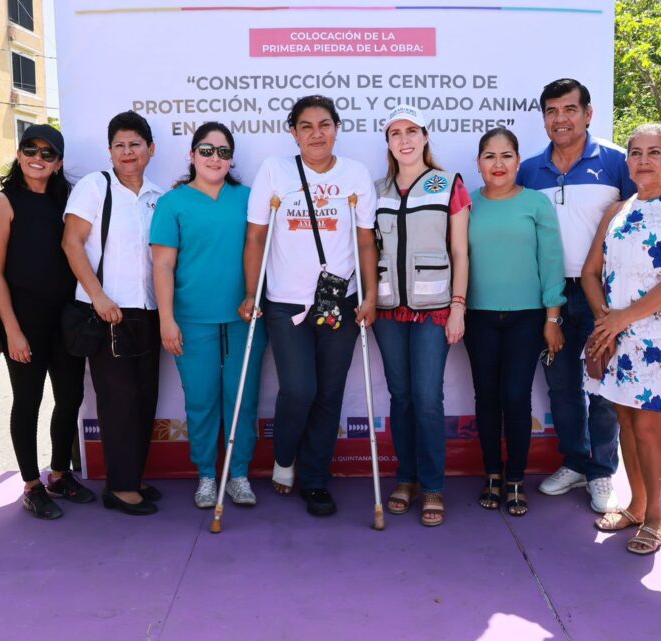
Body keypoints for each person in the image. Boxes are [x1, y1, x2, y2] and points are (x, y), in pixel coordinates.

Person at [241, 95, 378, 517]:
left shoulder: (355, 174)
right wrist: (252, 292)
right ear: (294, 132)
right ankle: (285, 458)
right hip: (286, 301)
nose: (316, 133)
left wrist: (371, 295)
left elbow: (365, 241)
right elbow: (256, 238)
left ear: (336, 128)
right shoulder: (275, 171)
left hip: (340, 300)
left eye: (324, 124)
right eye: (306, 126)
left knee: (329, 393)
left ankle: (316, 478)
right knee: (300, 388)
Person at [581, 123, 661, 554]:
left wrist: (621, 320)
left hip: (660, 337)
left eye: (654, 152)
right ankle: (635, 506)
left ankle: (655, 518)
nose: (643, 160)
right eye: (635, 152)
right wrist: (605, 322)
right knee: (626, 423)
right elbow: (590, 273)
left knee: (650, 427)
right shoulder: (616, 210)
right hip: (615, 336)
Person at [517, 78, 637, 513]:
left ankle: (603, 471)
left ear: (588, 113)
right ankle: (575, 461)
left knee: (603, 384)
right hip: (549, 295)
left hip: (603, 294)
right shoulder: (529, 170)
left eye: (569, 109)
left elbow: (645, 217)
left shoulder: (617, 162)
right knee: (561, 383)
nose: (560, 118)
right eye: (552, 111)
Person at [151, 122, 265, 509]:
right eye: (206, 149)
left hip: (244, 318)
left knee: (243, 399)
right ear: (192, 154)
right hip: (191, 320)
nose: (214, 158)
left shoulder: (250, 198)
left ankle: (238, 474)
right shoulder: (173, 203)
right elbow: (163, 266)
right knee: (200, 400)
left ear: (231, 159)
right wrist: (167, 319)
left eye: (222, 151)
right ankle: (206, 475)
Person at [0, 124, 93, 520]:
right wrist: (11, 329)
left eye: (48, 153)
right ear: (19, 152)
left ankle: (59, 474)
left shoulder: (68, 199)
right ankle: (31, 484)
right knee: (28, 401)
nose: (39, 158)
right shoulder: (3, 202)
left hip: (65, 317)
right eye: (32, 148)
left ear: (59, 162)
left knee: (71, 398)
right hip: (23, 319)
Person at [372, 105, 470, 527]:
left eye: (412, 131)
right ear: (389, 143)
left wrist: (458, 308)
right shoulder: (377, 189)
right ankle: (406, 478)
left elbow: (460, 251)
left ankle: (432, 486)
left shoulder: (449, 183)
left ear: (426, 137)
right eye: (396, 133)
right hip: (388, 311)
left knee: (428, 398)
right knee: (402, 397)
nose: (404, 139)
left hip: (435, 312)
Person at [62, 111, 164, 516]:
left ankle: (133, 476)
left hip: (148, 312)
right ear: (110, 151)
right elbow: (72, 243)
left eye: (135, 144)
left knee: (144, 398)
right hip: (107, 311)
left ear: (150, 149)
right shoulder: (95, 186)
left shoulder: (158, 196)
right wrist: (99, 296)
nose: (127, 152)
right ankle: (120, 488)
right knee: (118, 401)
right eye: (119, 145)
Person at [465, 128, 566, 517]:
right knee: (486, 398)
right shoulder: (466, 205)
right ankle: (492, 473)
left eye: (506, 156)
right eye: (489, 156)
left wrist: (552, 316)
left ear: (518, 162)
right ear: (478, 163)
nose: (498, 164)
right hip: (479, 317)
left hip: (527, 318)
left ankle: (516, 479)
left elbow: (552, 261)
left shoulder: (536, 204)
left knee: (515, 397)